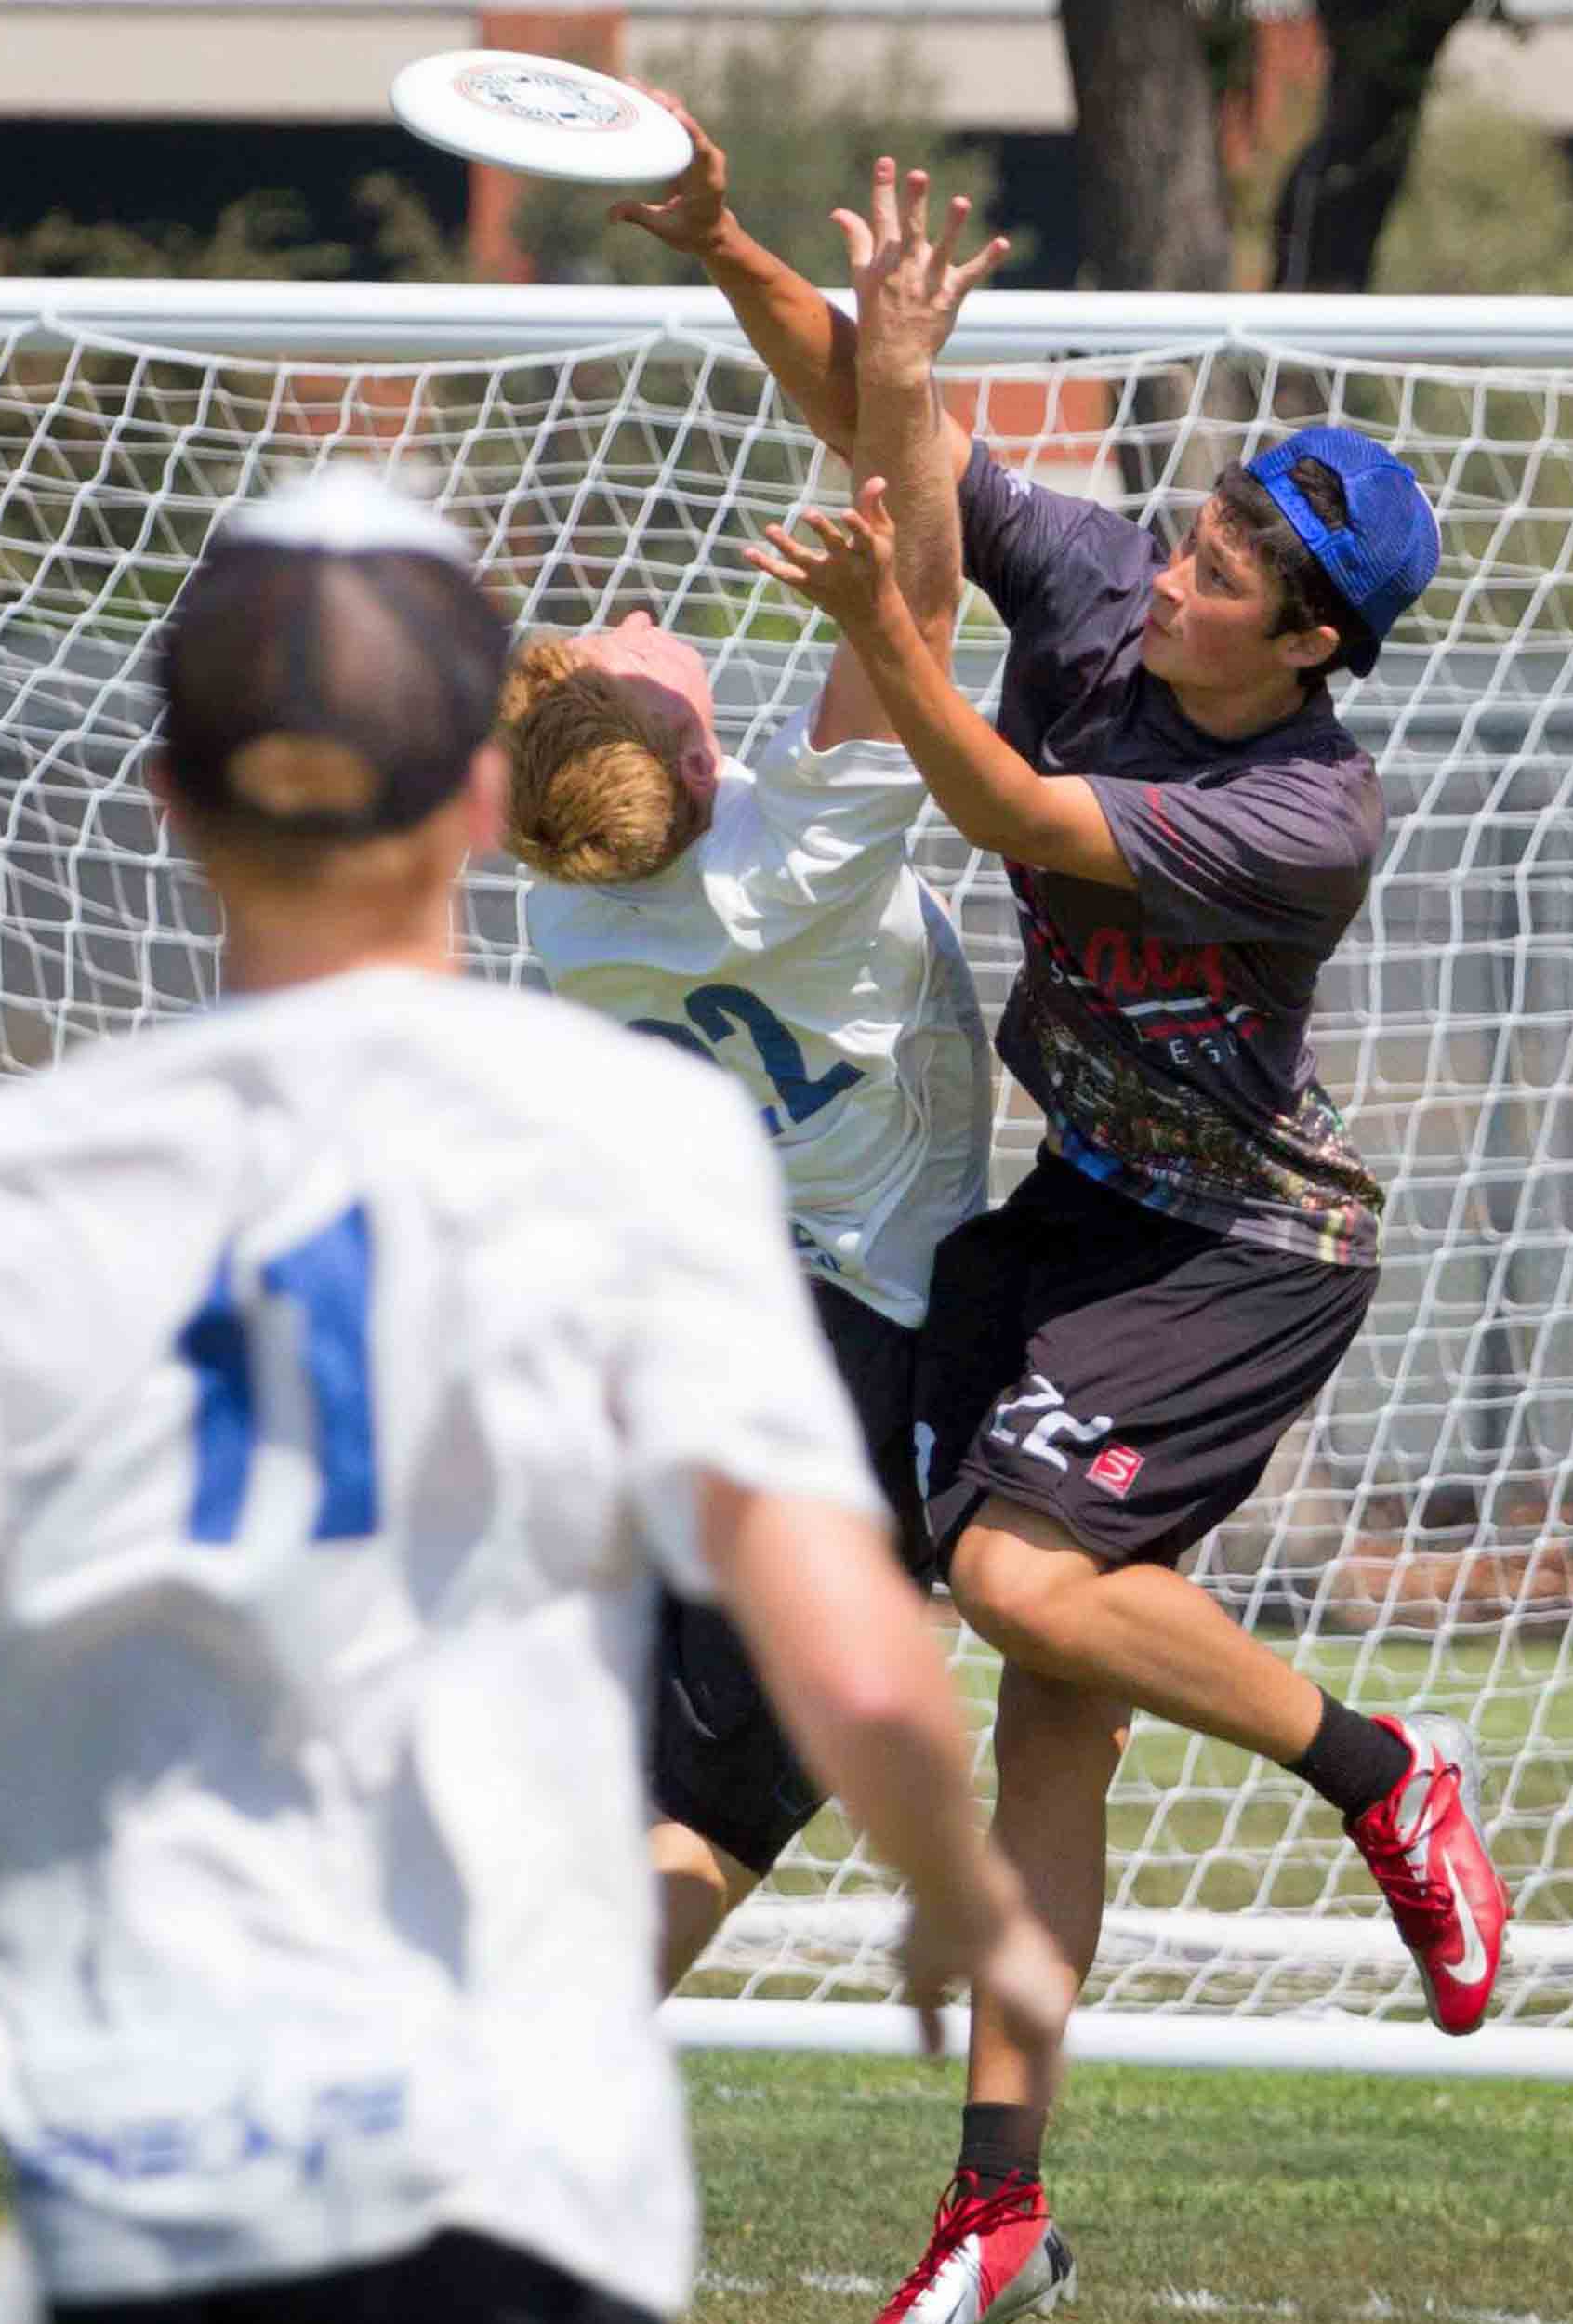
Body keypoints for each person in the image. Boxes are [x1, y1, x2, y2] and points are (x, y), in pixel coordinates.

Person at [0, 470, 1064, 2324]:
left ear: (172, 808)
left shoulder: (1, 1177)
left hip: (151, 2141)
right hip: (513, 2172)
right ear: (475, 804)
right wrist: (959, 1882)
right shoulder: (634, 1147)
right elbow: (851, 1639)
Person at [616, 99, 1511, 2324]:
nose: (1177, 565)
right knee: (1054, 1706)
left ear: (1307, 644)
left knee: (1021, 1580)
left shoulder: (1304, 813)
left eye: (1229, 571)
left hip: (1243, 1249)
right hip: (1071, 1208)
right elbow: (875, 408)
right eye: (1199, 523)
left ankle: (1381, 1768)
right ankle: (997, 2206)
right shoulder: (1118, 579)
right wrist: (725, 241)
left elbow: (995, 793)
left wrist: (882, 599)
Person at [500, 161, 1007, 1987]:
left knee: (612, 1775)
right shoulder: (780, 858)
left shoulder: (577, 910)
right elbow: (922, 590)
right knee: (708, 1815)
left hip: (677, 1336)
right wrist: (898, 365)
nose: (638, 623)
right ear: (694, 760)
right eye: (642, 667)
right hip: (832, 1346)